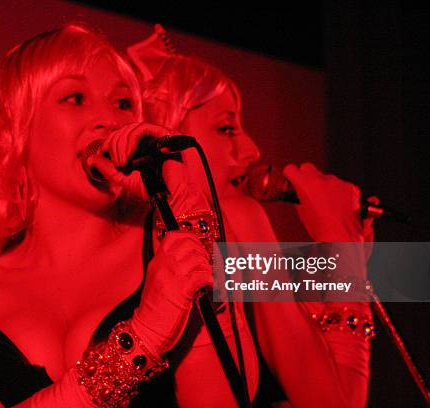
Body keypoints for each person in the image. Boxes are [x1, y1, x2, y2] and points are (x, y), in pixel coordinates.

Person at [0, 24, 233, 408]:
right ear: (17, 127)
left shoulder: (169, 245)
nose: (109, 120)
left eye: (122, 103)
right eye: (76, 97)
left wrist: (188, 205)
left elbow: (231, 393)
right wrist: (141, 341)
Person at [127, 25, 377, 407]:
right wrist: (348, 264)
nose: (251, 149)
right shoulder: (238, 217)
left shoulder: (127, 236)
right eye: (226, 128)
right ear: (168, 134)